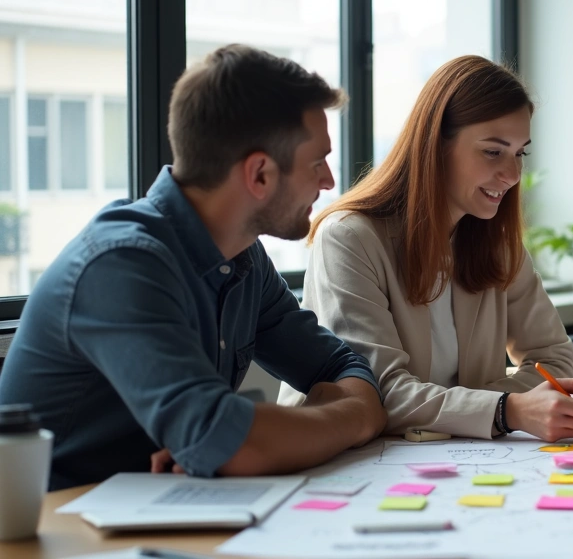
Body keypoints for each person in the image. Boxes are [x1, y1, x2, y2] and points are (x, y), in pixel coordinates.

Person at [0, 45, 387, 490]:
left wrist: (274, 427)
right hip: (64, 535)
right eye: (317, 161)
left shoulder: (244, 258)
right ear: (259, 174)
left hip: (166, 515)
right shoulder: (121, 265)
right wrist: (352, 417)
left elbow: (342, 366)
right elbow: (233, 444)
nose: (329, 181)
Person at [280, 55, 573, 442]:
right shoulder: (348, 238)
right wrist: (507, 409)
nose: (514, 175)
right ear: (436, 144)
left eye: (520, 153)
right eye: (493, 151)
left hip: (453, 461)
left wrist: (490, 410)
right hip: (343, 463)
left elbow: (555, 359)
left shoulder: (496, 244)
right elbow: (375, 391)